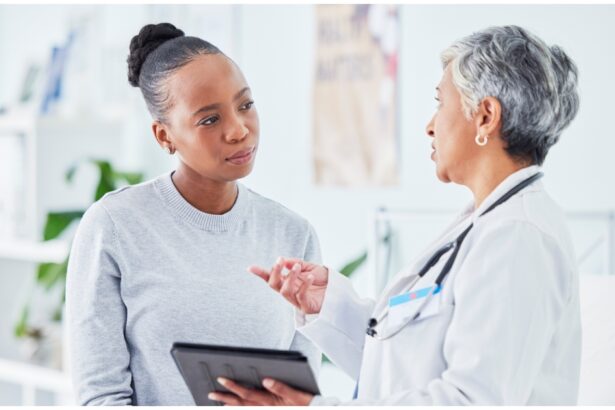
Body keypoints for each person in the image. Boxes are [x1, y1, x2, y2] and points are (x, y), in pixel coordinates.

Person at [209, 25, 582, 405]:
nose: (430, 125)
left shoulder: (518, 236)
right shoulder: (487, 224)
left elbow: (471, 401)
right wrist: (331, 305)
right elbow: (406, 366)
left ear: (485, 117)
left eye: (440, 102)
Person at [65, 22, 321, 405]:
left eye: (246, 105)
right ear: (164, 136)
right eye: (209, 119)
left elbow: (300, 397)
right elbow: (101, 397)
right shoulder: (115, 226)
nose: (239, 130)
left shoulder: (292, 234)